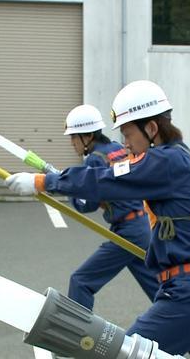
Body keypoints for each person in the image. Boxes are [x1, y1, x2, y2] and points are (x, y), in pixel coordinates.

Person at [5, 80, 190, 358]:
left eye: (128, 133)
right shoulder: (180, 157)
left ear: (152, 129)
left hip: (189, 295)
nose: (125, 143)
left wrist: (42, 181)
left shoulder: (164, 161)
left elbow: (104, 179)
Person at [61, 104, 159, 311]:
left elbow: (87, 205)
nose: (72, 143)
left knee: (81, 281)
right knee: (157, 289)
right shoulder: (117, 149)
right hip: (141, 226)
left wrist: (69, 191)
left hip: (128, 232)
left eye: (73, 137)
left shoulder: (95, 160)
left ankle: (76, 336)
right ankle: (188, 333)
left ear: (87, 137)